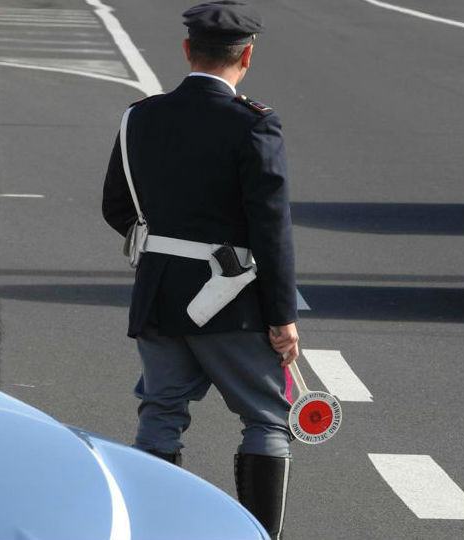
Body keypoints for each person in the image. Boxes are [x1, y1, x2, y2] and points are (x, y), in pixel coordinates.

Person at [101, 2, 298, 537]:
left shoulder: (140, 117)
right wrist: (282, 315)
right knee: (265, 419)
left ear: (188, 50)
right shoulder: (253, 124)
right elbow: (270, 228)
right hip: (231, 301)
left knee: (160, 414)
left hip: (159, 292)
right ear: (247, 57)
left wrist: (167, 250)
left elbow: (117, 207)